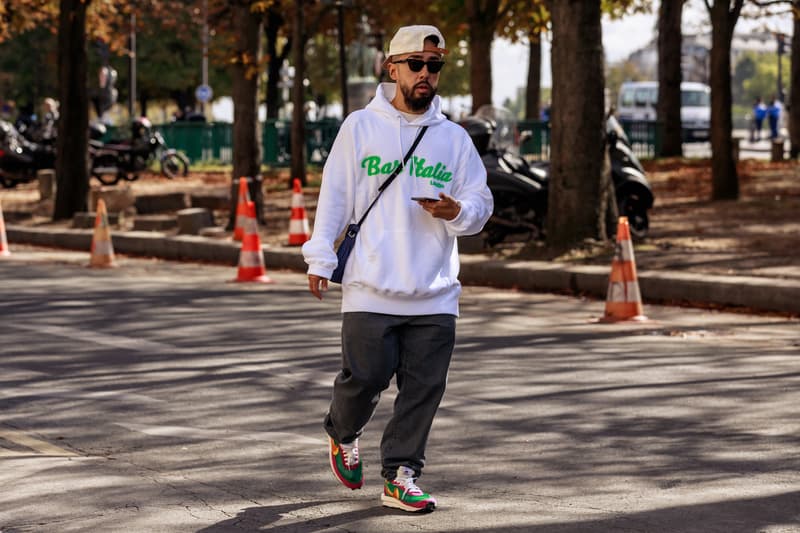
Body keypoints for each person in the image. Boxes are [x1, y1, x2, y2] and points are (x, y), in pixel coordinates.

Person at [302, 24, 493, 513]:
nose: (426, 74)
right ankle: (342, 433)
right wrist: (321, 255)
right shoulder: (359, 128)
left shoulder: (453, 138)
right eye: (416, 64)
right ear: (392, 68)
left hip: (434, 289)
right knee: (364, 379)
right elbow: (335, 198)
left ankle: (401, 474)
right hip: (371, 284)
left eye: (435, 66)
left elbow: (480, 200)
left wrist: (459, 213)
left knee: (424, 388)